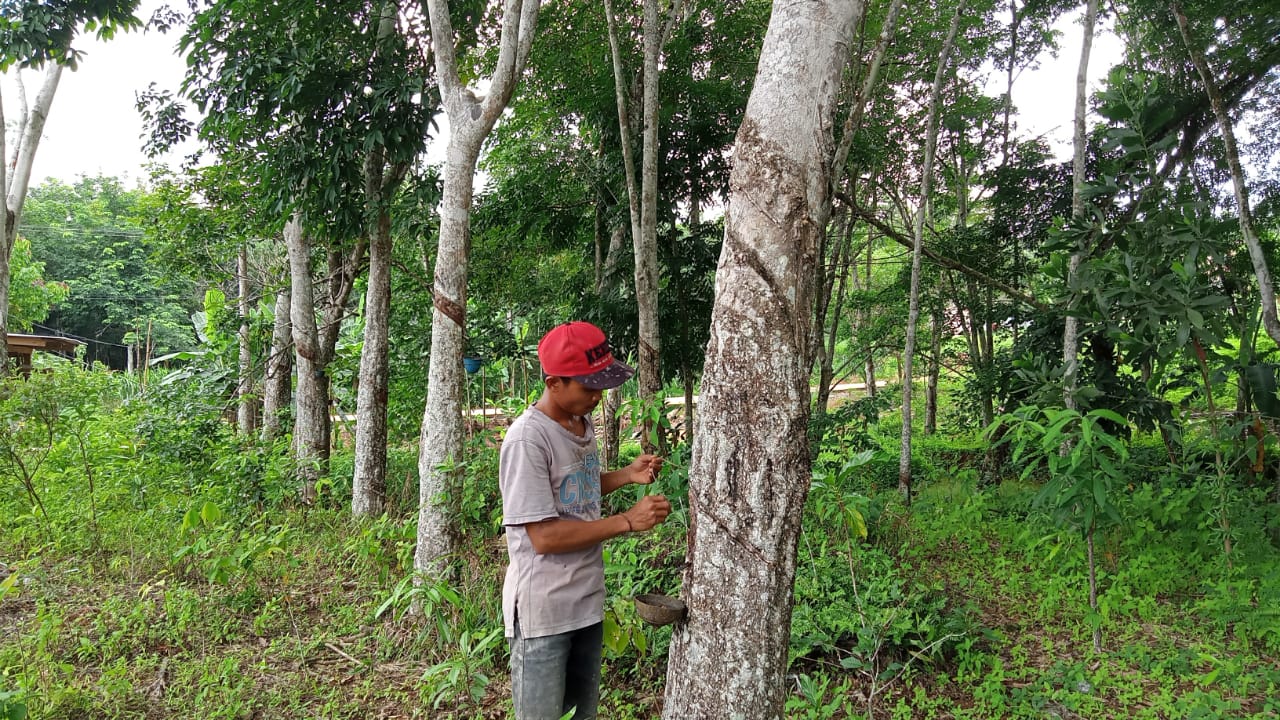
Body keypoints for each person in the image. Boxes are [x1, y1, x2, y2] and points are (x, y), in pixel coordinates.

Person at [499, 321, 671, 720]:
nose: (597, 396)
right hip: (545, 612)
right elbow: (543, 535)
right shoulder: (528, 440)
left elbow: (575, 490)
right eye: (588, 387)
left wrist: (626, 474)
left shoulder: (579, 423)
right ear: (553, 383)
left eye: (601, 387)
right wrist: (626, 521)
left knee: (582, 714)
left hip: (585, 603)